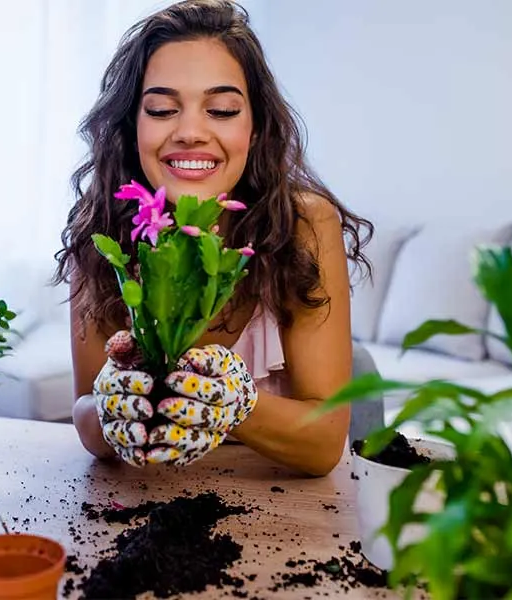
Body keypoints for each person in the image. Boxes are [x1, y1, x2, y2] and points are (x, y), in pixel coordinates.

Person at [53, 0, 372, 476]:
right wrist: (107, 406)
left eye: (221, 109)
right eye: (162, 109)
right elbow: (88, 414)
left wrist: (229, 400)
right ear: (130, 126)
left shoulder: (303, 224)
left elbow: (324, 444)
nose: (190, 132)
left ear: (256, 126)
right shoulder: (102, 229)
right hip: (151, 502)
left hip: (280, 508)